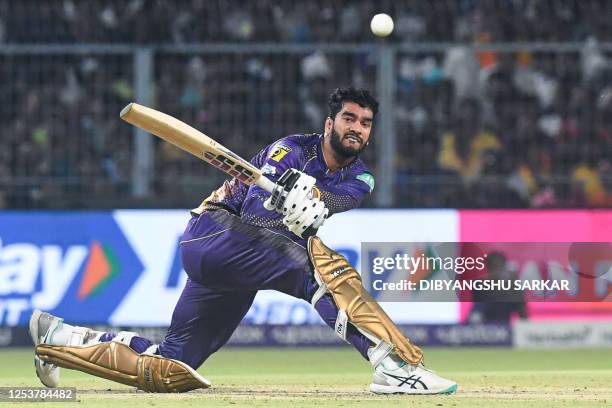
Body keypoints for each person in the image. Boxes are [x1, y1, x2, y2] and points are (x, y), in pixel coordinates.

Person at [31, 87, 457, 395]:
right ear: (330, 123)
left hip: (237, 268)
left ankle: (58, 340)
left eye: (365, 123)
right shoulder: (290, 149)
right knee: (319, 268)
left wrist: (312, 201)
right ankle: (392, 365)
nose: (357, 128)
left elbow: (336, 198)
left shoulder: (360, 176)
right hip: (213, 234)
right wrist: (282, 201)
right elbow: (253, 213)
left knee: (172, 366)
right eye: (349, 118)